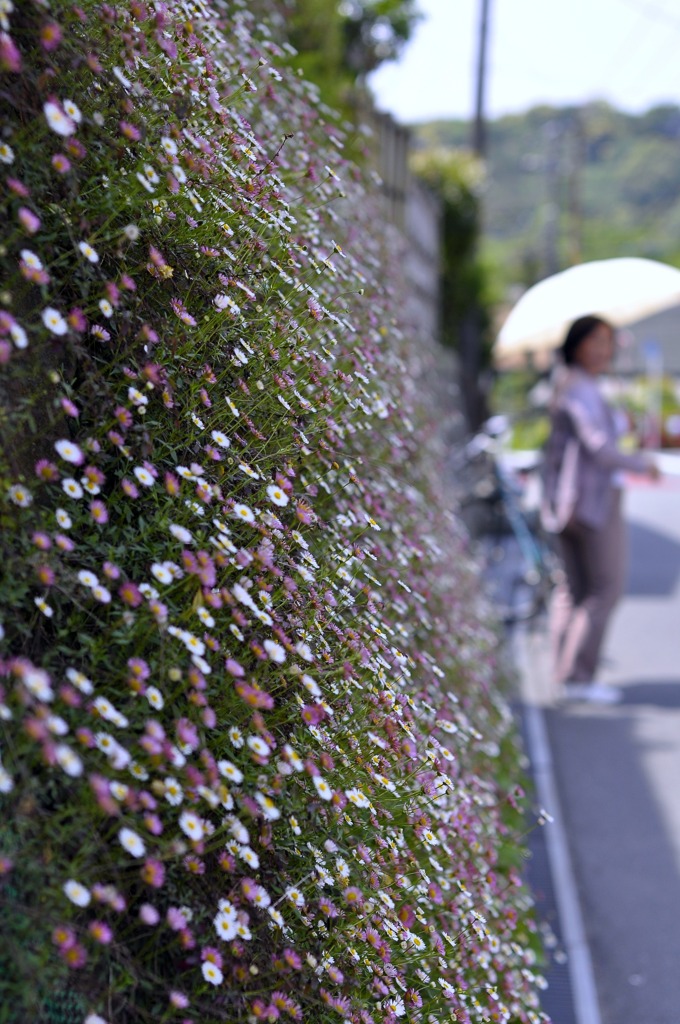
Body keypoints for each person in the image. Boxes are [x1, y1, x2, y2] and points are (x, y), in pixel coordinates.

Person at [541, 315, 659, 703]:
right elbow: (600, 448)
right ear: (576, 345)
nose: (602, 349)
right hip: (589, 505)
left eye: (607, 342)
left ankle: (563, 674)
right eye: (594, 341)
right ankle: (578, 677)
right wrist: (644, 464)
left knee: (572, 590)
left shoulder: (569, 385)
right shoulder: (580, 388)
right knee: (604, 589)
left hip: (564, 502)